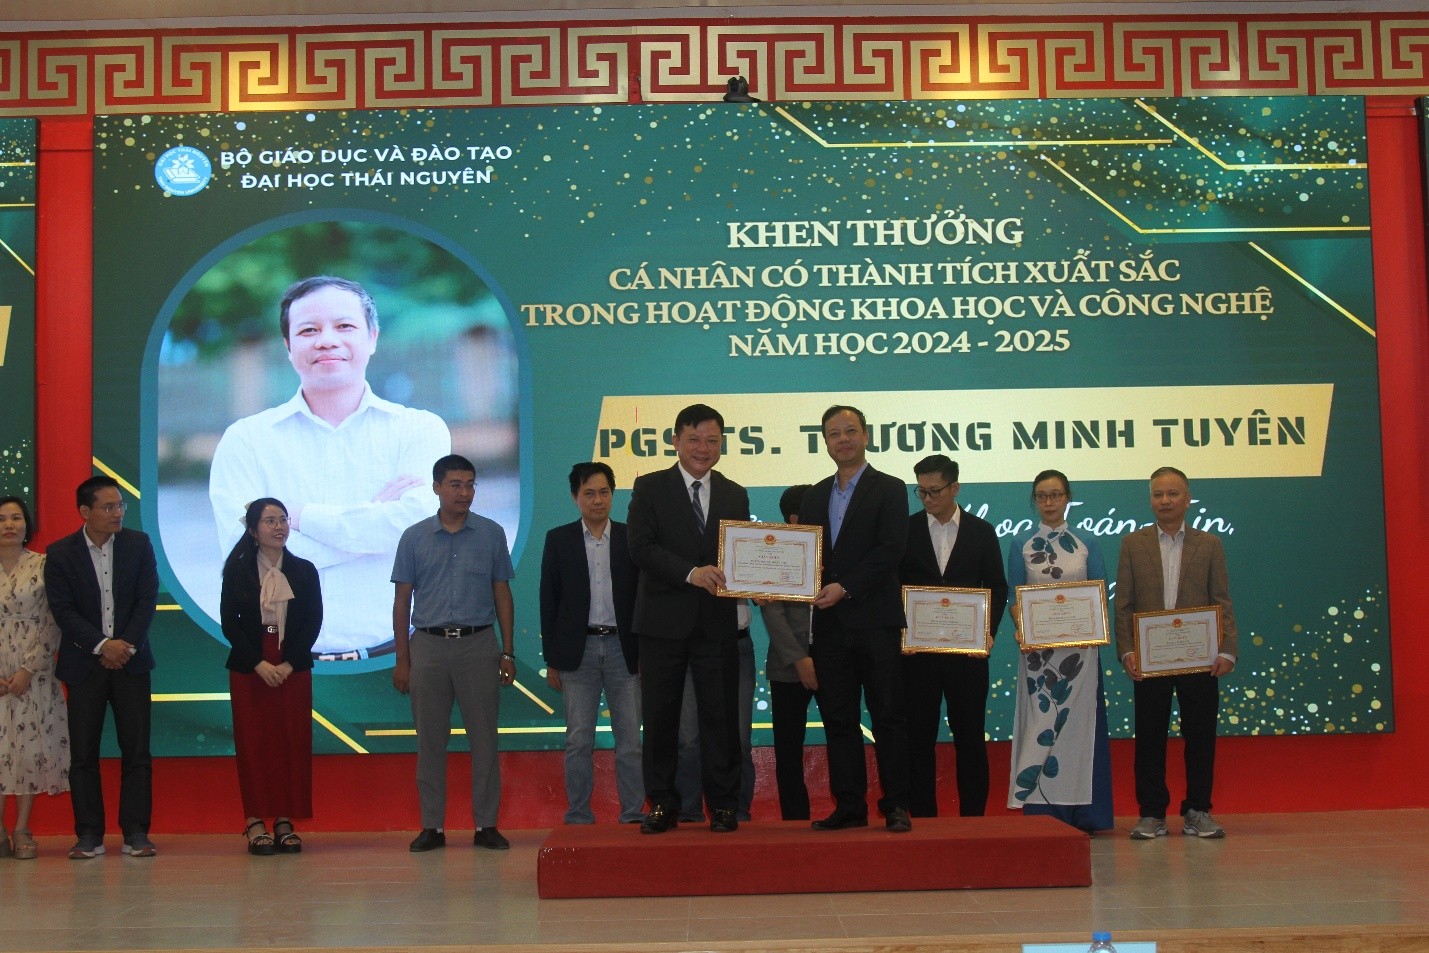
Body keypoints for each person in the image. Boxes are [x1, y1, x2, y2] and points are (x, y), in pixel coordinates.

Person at [210, 276, 451, 659]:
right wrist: (374, 520)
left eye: (344, 326)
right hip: (280, 661)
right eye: (309, 330)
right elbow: (249, 562)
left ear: (372, 337)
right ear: (288, 345)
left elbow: (418, 533)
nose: (327, 340)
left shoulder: (419, 430)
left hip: (401, 656)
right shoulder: (246, 441)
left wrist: (301, 517)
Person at [627, 403, 749, 834]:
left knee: (721, 717)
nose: (703, 448)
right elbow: (640, 547)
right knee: (661, 718)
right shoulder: (649, 487)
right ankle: (662, 803)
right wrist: (691, 573)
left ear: (722, 445)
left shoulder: (735, 493)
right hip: (662, 624)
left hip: (717, 623)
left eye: (712, 440)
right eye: (694, 439)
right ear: (676, 440)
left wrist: (759, 575)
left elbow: (741, 553)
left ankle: (724, 805)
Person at [392, 455, 516, 852]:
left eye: (470, 484)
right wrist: (402, 660)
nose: (465, 493)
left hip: (478, 645)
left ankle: (486, 825)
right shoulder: (413, 537)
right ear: (436, 488)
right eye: (456, 485)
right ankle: (432, 827)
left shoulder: (492, 533)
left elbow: (502, 593)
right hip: (427, 647)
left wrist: (508, 651)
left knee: (485, 740)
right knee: (430, 741)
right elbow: (401, 601)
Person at [799, 405, 912, 832]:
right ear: (825, 442)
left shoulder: (890, 489)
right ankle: (849, 806)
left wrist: (845, 587)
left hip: (876, 621)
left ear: (865, 435)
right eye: (834, 434)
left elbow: (891, 549)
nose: (842, 439)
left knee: (888, 716)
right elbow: (806, 557)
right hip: (829, 626)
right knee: (839, 719)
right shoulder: (814, 495)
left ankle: (896, 805)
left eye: (850, 431)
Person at [1114, 466, 1238, 840]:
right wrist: (1127, 650)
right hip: (1150, 659)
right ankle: (1151, 813)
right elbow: (1124, 604)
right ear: (1150, 500)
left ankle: (1198, 810)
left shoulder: (1209, 544)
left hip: (1200, 658)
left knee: (1200, 735)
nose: (1164, 501)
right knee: (1149, 736)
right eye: (1158, 494)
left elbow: (1221, 600)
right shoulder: (1133, 544)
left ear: (1187, 499)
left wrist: (1227, 650)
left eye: (1172, 494)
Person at [45, 475, 159, 859]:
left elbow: (146, 600)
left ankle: (136, 833)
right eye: (108, 507)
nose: (117, 513)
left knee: (137, 752)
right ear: (85, 511)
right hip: (84, 665)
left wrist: (124, 646)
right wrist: (101, 645)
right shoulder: (60, 553)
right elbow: (63, 610)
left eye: (120, 505)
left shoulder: (138, 544)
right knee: (83, 755)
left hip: (131, 662)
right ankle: (89, 835)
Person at [899, 454, 1008, 818]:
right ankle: (922, 818)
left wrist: (987, 632)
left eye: (935, 491)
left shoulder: (982, 531)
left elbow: (997, 586)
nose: (927, 499)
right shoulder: (905, 530)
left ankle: (973, 818)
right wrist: (902, 632)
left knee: (970, 737)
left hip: (968, 656)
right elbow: (893, 586)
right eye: (921, 492)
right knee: (918, 738)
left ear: (955, 487)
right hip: (918, 656)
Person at [1005, 470, 1114, 834]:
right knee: (1042, 726)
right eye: (1041, 496)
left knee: (1079, 730)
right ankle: (1043, 814)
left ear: (1068, 498)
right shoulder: (1021, 543)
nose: (1049, 502)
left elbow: (1099, 592)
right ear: (1034, 501)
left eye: (1055, 495)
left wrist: (1087, 630)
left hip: (1081, 654)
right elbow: (1014, 596)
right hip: (1038, 657)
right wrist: (1024, 627)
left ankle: (1086, 815)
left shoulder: (1087, 542)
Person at [539, 462, 643, 825]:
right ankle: (579, 814)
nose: (597, 500)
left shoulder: (632, 538)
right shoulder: (559, 539)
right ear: (575, 497)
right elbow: (549, 601)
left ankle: (633, 813)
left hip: (623, 651)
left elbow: (643, 600)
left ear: (613, 495)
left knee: (630, 741)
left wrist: (644, 652)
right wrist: (553, 659)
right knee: (578, 739)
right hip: (577, 652)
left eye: (603, 492)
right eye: (589, 493)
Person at [220, 498, 323, 855]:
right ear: (252, 530)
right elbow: (229, 624)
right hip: (251, 667)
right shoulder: (237, 570)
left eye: (283, 519)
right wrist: (259, 664)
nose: (279, 527)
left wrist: (289, 663)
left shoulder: (305, 570)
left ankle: (283, 820)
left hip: (292, 666)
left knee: (290, 741)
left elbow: (312, 621)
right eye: (269, 521)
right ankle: (254, 821)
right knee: (253, 743)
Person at [0, 497, 68, 860]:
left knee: (28, 750)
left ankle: (22, 828)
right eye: (1, 519)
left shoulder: (43, 565)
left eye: (16, 518)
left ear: (27, 524)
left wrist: (28, 669)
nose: (9, 525)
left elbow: (52, 621)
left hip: (34, 674)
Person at [761, 484, 816, 821]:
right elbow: (772, 612)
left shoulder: (832, 549)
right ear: (795, 518)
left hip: (832, 659)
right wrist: (799, 658)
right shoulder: (775, 552)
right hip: (786, 664)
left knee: (843, 735)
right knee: (788, 748)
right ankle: (795, 819)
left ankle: (847, 810)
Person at [674, 601, 755, 823]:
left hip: (737, 643)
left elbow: (764, 590)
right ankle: (689, 813)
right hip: (689, 643)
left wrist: (764, 590)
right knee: (688, 740)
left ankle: (736, 811)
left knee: (739, 738)